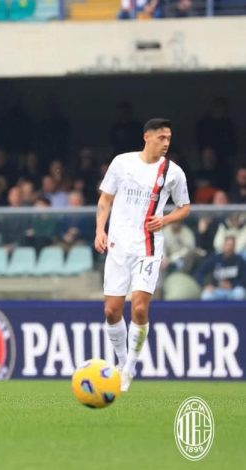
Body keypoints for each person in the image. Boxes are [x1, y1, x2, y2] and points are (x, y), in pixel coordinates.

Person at [95, 118, 190, 392]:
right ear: (147, 137)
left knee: (138, 307)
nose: (166, 143)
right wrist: (100, 230)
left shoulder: (173, 172)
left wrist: (165, 220)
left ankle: (130, 368)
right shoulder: (122, 163)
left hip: (148, 247)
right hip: (118, 245)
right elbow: (105, 199)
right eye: (162, 137)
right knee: (111, 310)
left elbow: (185, 207)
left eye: (169, 138)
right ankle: (122, 361)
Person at [195, 236, 246, 301]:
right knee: (206, 295)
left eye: (231, 245)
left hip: (232, 290)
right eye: (227, 245)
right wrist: (205, 285)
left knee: (240, 293)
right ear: (223, 246)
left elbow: (244, 278)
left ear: (234, 247)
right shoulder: (215, 259)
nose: (229, 248)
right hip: (217, 289)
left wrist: (232, 285)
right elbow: (199, 273)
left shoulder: (239, 260)